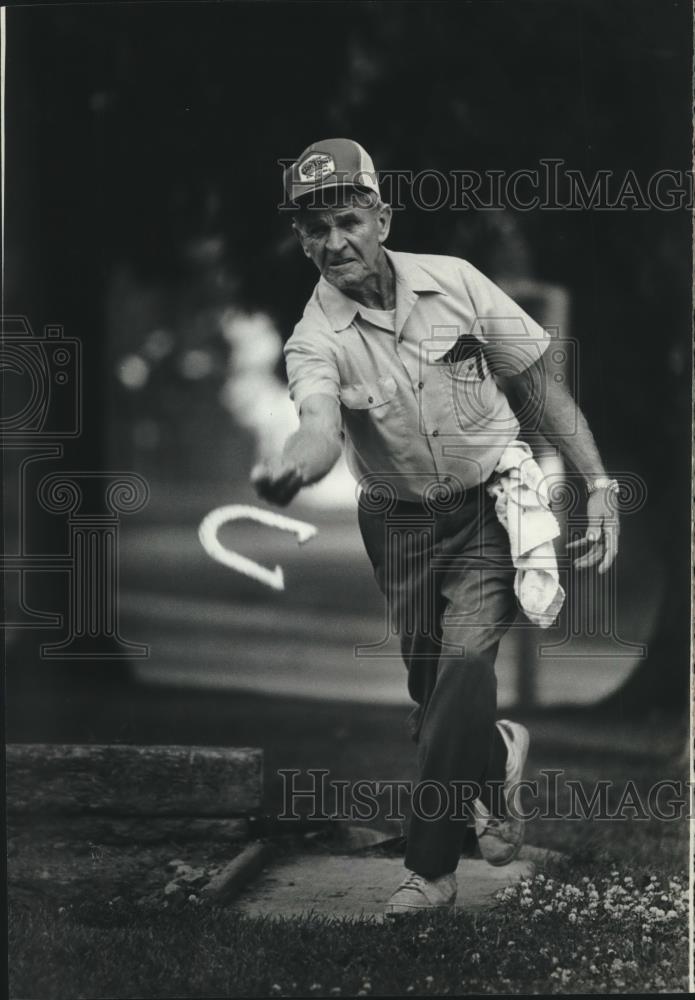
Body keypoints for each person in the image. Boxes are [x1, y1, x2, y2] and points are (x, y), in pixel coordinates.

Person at [251, 138, 619, 915]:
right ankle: (496, 754)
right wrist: (297, 463)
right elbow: (317, 421)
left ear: (381, 218)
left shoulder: (455, 284)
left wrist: (598, 483)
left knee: (461, 667)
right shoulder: (314, 337)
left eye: (346, 220)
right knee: (434, 693)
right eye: (313, 230)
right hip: (397, 525)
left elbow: (538, 386)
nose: (332, 243)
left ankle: (430, 870)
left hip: (487, 507)